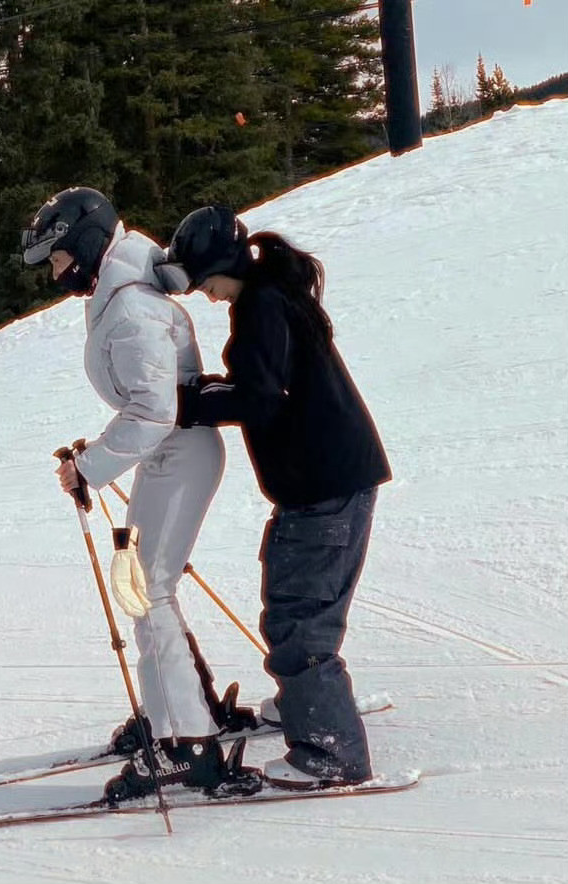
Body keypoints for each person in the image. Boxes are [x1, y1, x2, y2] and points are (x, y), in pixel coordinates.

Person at [21, 187, 259, 799]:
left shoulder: (128, 307)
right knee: (145, 585)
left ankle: (187, 743)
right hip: (169, 453)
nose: (55, 274)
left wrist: (91, 467)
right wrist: (96, 458)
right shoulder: (121, 285)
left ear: (86, 247)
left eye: (57, 259)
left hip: (177, 453)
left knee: (145, 588)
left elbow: (154, 411)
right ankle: (182, 713)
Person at [165, 205, 391, 789]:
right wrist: (208, 392)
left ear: (218, 265)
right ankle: (305, 704)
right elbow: (264, 387)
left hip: (323, 486)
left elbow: (261, 398)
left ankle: (329, 752)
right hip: (335, 478)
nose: (204, 295)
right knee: (301, 605)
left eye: (201, 280)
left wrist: (186, 407)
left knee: (298, 617)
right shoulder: (270, 293)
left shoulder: (261, 304)